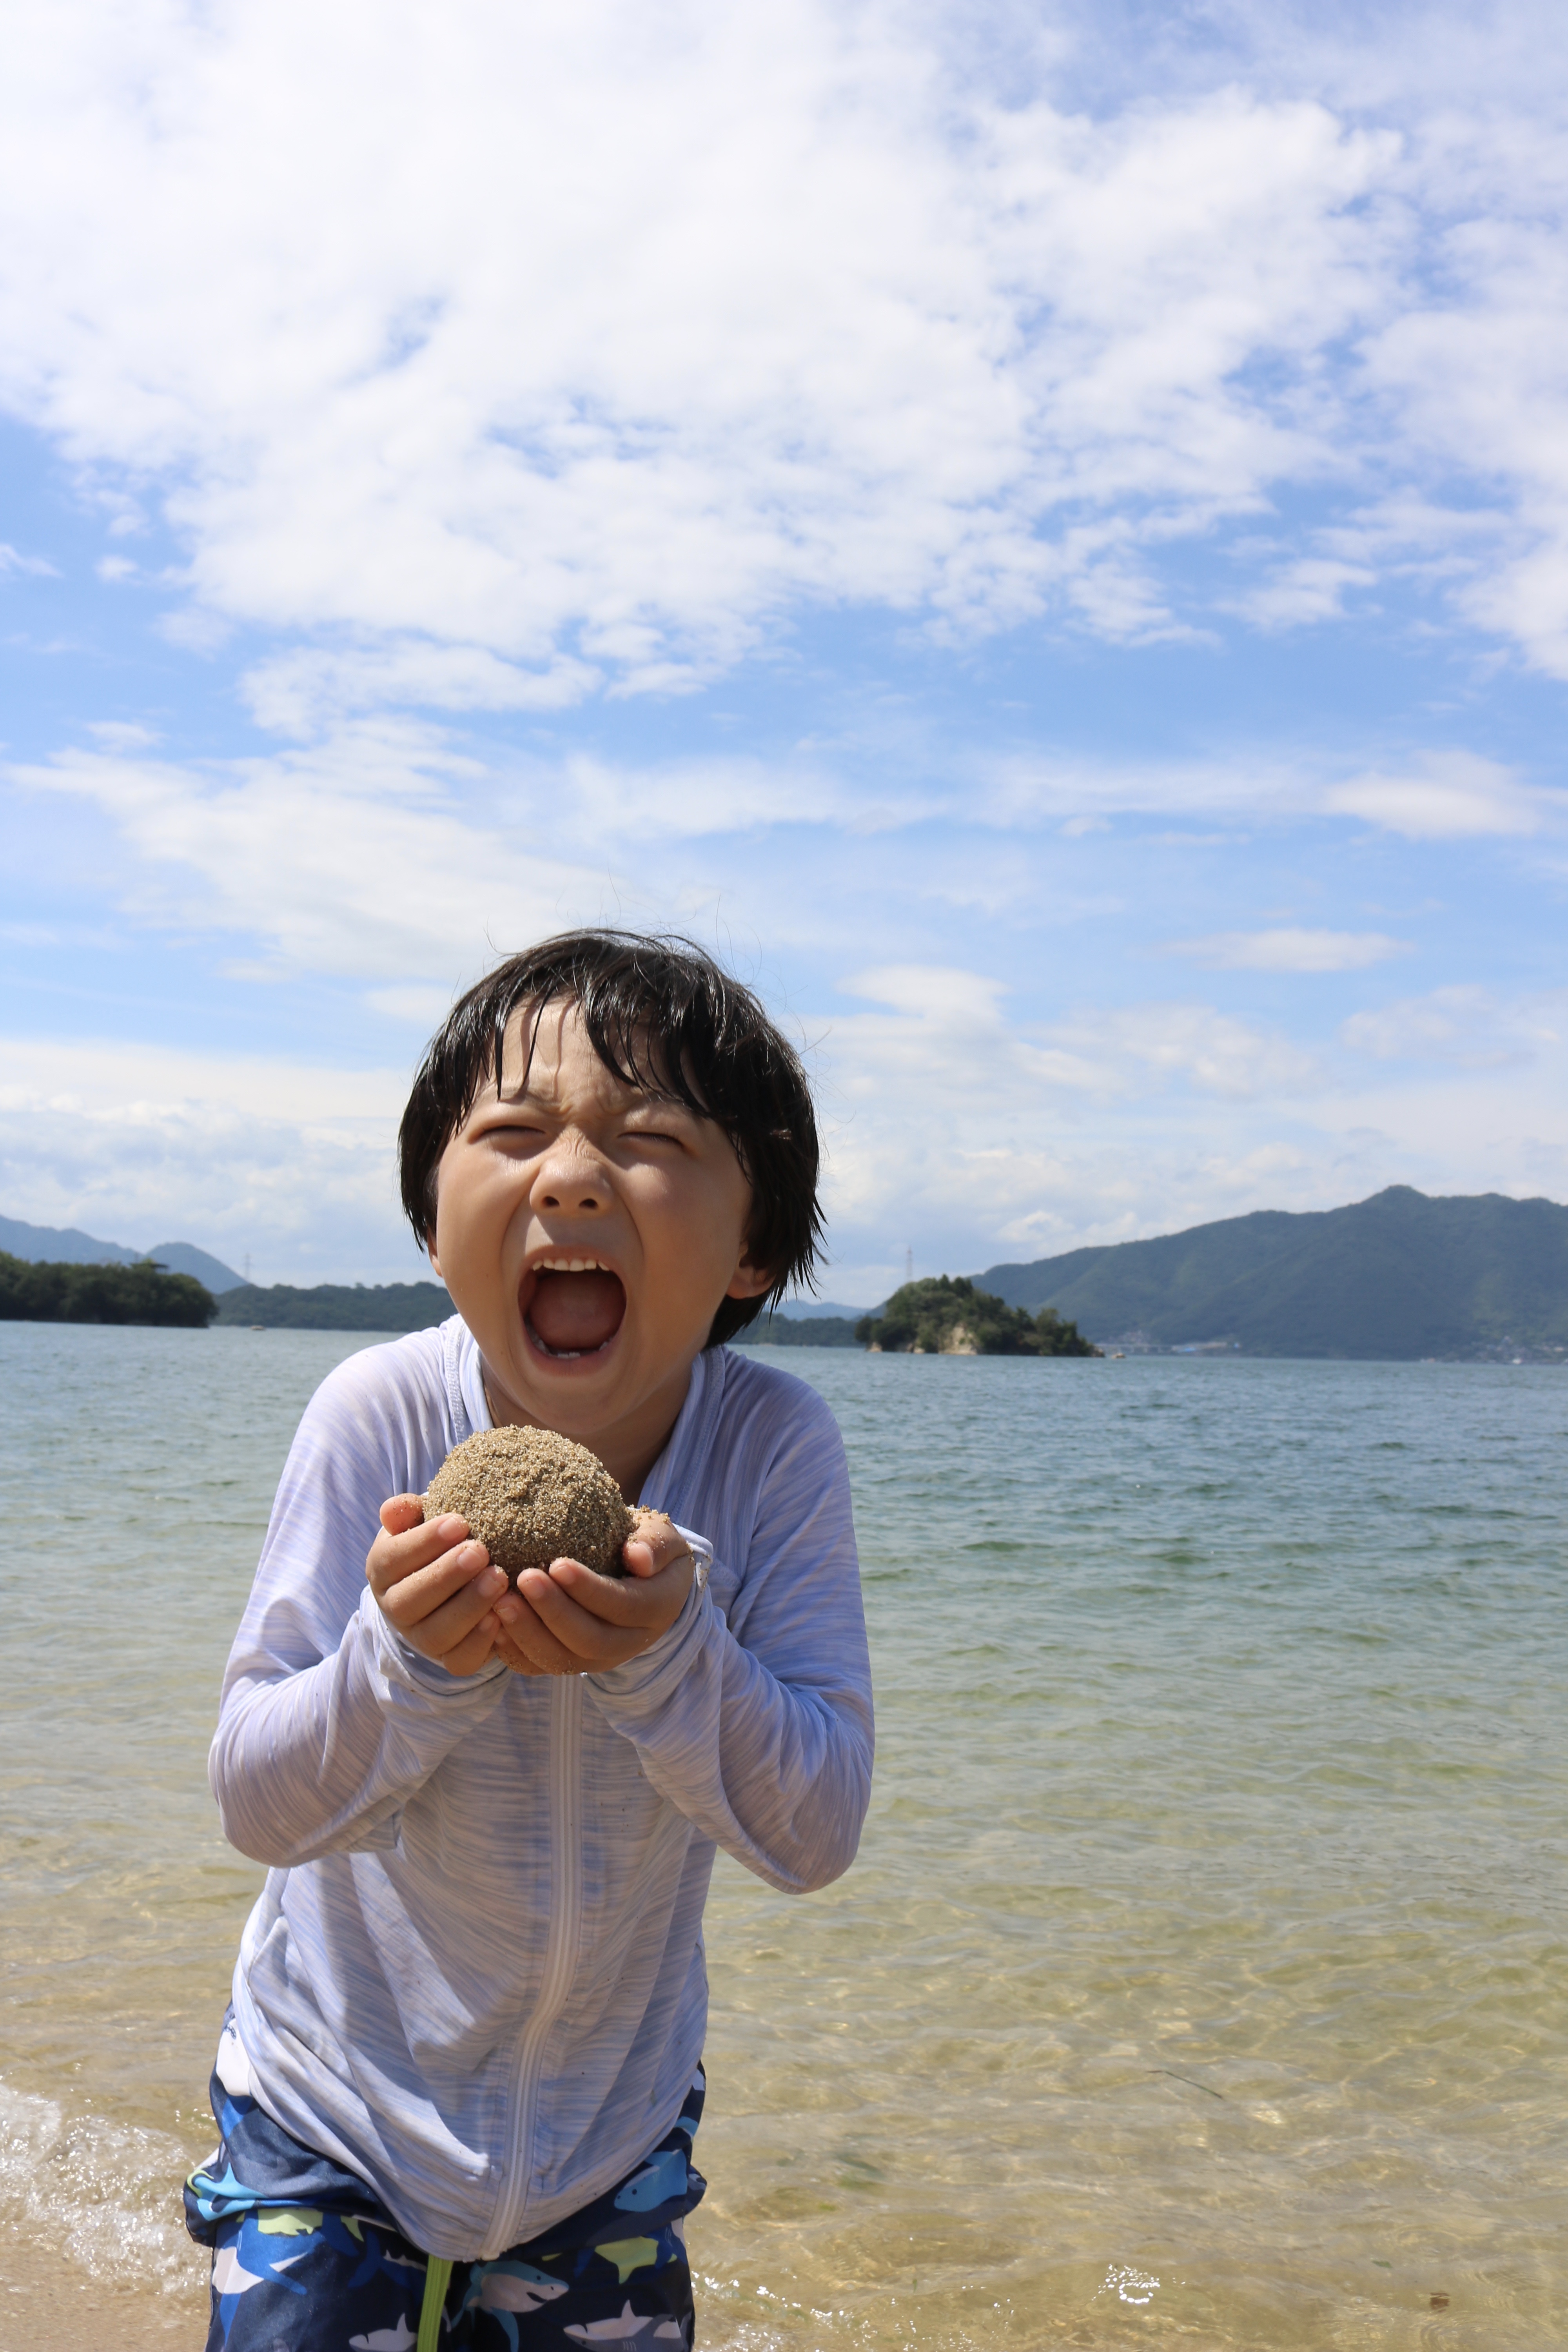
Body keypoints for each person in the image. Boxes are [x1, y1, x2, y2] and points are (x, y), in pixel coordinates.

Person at [185, 931, 874, 2351]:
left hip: (606, 2146)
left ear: (754, 1245)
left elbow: (814, 1832)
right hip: (330, 2115)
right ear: (434, 1224)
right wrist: (406, 1661)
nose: (570, 1173)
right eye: (511, 1132)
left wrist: (672, 1652)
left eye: (652, 1137)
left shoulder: (771, 1449)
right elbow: (258, 1800)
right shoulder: (377, 1415)